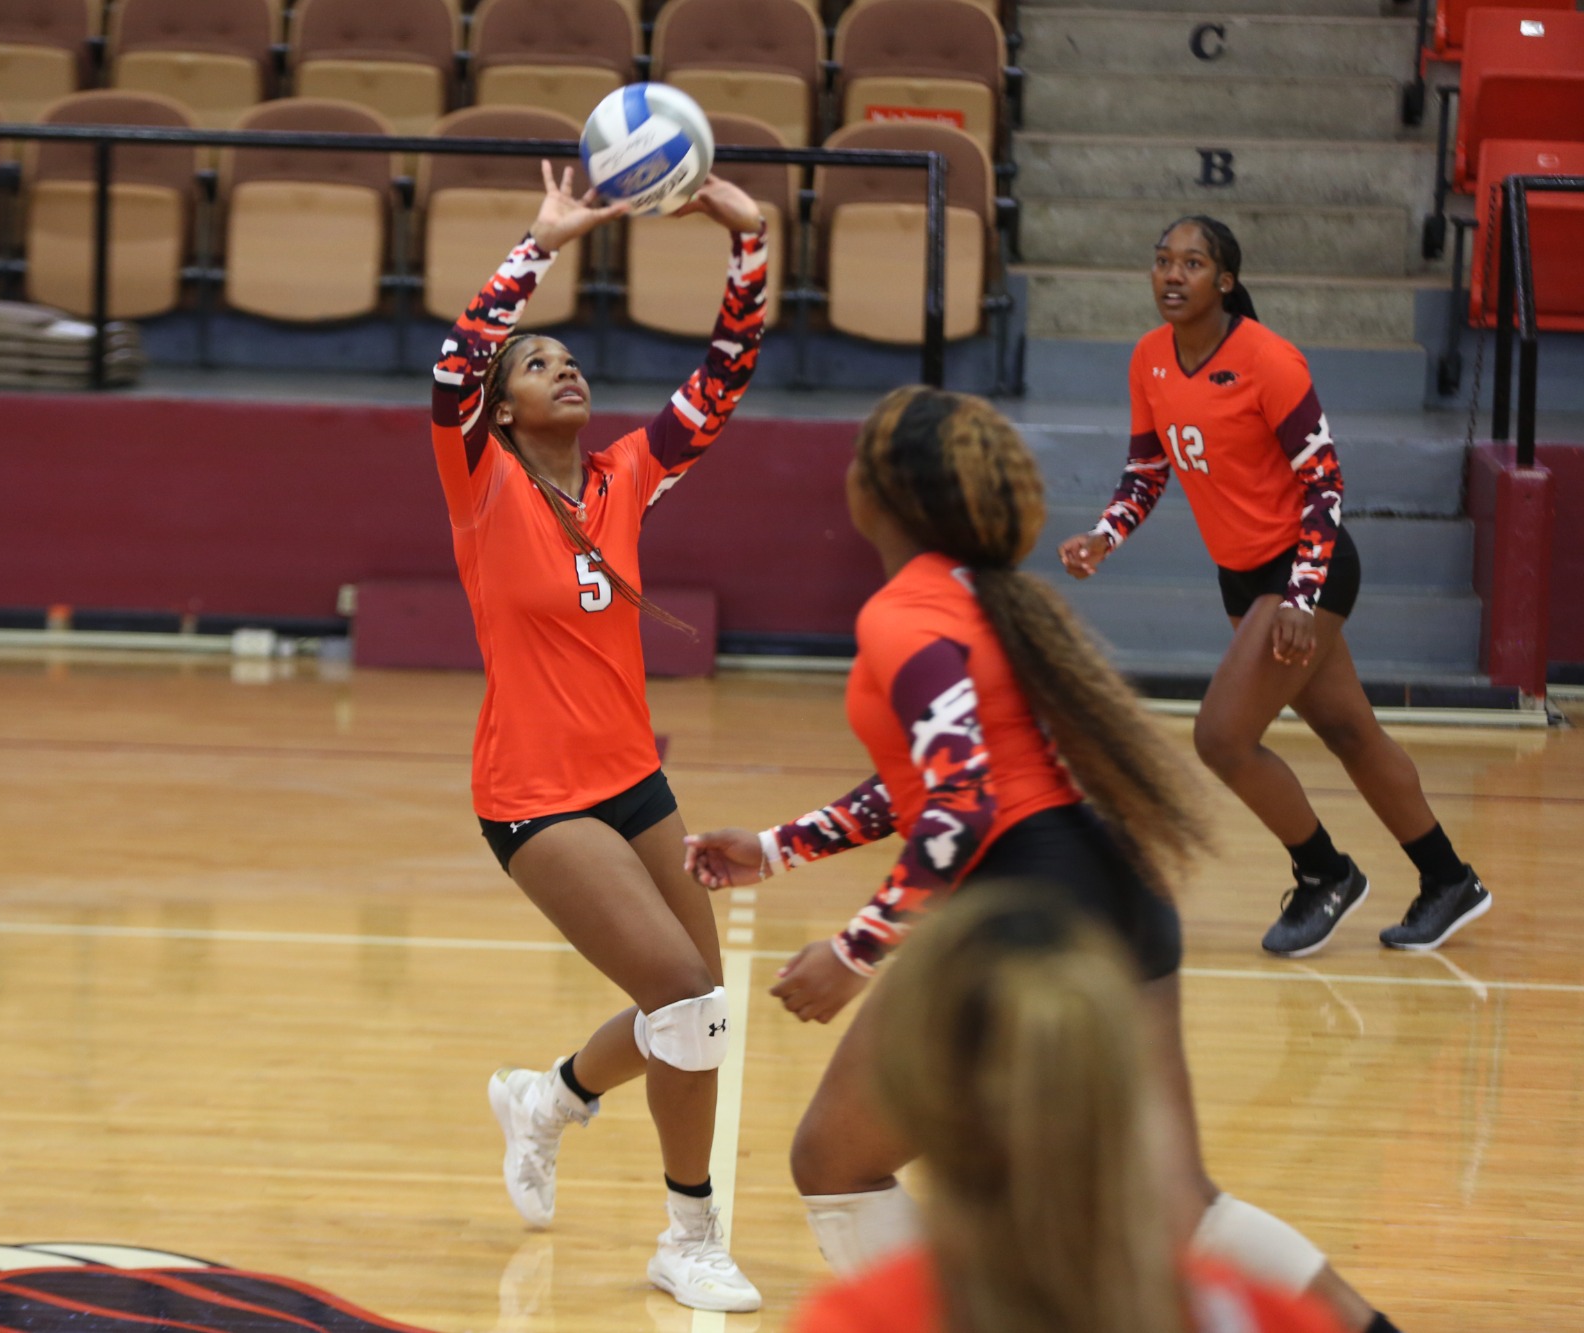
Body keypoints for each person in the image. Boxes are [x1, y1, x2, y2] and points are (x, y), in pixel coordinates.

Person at [683, 387, 1402, 1332]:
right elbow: (938, 782)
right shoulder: (987, 597)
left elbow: (962, 805)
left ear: (881, 495)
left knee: (834, 1161)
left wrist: (854, 953)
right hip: (1112, 884)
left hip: (1027, 906)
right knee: (1176, 1202)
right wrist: (776, 849)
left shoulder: (904, 615)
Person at [430, 161, 769, 1314]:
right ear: (503, 407)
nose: (562, 365)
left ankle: (551, 1099)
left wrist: (749, 242)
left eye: (569, 357)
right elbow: (451, 366)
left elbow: (723, 379)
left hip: (635, 779)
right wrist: (541, 241)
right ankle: (687, 1237)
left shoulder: (626, 476)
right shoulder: (478, 477)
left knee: (698, 1013)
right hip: (532, 794)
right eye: (536, 362)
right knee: (679, 993)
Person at [1057, 215, 1491, 958]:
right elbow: (1147, 468)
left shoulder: (1269, 360)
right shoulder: (1149, 359)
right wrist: (1106, 533)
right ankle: (1448, 880)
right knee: (1351, 731)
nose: (1172, 275)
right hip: (1244, 578)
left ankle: (1325, 873)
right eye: (1162, 260)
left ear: (1224, 281)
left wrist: (1301, 597)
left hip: (1306, 567)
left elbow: (1325, 482)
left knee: (1221, 737)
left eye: (1192, 263)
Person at [790, 886, 1350, 1333]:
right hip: (1083, 881)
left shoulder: (851, 1319)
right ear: (1134, 1106)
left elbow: (954, 795)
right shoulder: (1260, 1316)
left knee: (832, 1160)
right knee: (1185, 1195)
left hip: (1024, 889)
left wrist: (851, 946)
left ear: (921, 1104)